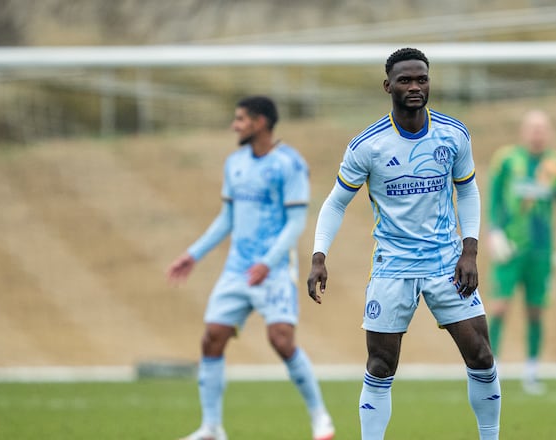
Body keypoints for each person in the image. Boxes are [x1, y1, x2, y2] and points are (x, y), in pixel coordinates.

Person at [307, 48, 501, 440]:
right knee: (380, 364)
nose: (415, 87)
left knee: (481, 355)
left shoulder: (453, 134)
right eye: (405, 80)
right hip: (392, 268)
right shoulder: (368, 146)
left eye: (422, 79)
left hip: (447, 264)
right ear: (388, 86)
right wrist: (318, 256)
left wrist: (470, 250)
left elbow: (468, 192)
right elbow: (335, 202)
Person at [166, 96, 335, 440]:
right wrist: (193, 254)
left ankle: (321, 418)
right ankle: (212, 428)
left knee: (281, 341)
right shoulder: (235, 163)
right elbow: (227, 217)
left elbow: (295, 223)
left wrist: (267, 262)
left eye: (240, 119)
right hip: (237, 270)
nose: (235, 125)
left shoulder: (290, 164)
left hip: (271, 270)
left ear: (260, 122)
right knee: (212, 338)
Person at [486, 110, 556, 395]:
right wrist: (494, 231)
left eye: (542, 128)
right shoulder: (506, 160)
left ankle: (531, 371)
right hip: (511, 247)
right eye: (533, 128)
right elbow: (493, 197)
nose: (537, 133)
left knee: (536, 310)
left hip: (541, 250)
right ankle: (490, 371)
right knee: (499, 306)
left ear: (548, 132)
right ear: (523, 131)